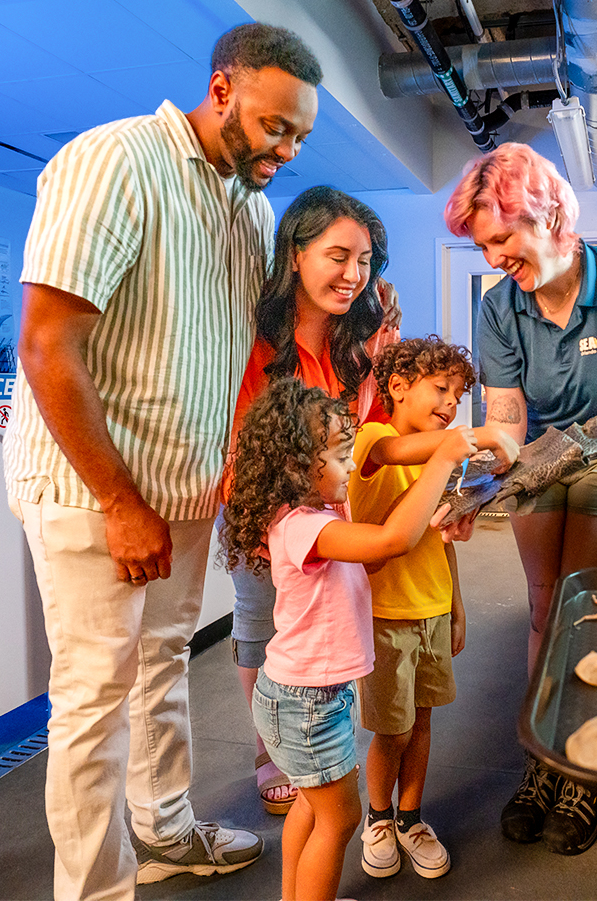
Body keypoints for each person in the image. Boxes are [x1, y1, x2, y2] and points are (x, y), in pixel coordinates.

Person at [3, 22, 321, 898]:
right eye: (274, 126)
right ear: (223, 89)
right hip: (94, 493)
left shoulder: (248, 210)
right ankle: (96, 892)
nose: (285, 150)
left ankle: (168, 831)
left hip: (185, 495)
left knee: (163, 666)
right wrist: (119, 500)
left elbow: (242, 354)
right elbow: (46, 346)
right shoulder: (115, 161)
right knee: (95, 699)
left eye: (299, 136)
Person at [443, 142, 597, 856]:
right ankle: (543, 756)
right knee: (546, 604)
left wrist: (582, 443)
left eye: (500, 239)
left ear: (549, 214)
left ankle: (588, 765)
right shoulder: (501, 308)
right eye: (482, 245)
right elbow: (511, 423)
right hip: (542, 455)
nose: (493, 259)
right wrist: (476, 483)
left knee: (586, 603)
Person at [222, 378, 475, 901]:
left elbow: (379, 553)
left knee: (312, 807)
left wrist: (436, 508)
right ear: (297, 466)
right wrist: (442, 461)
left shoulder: (324, 516)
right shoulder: (301, 526)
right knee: (340, 819)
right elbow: (391, 538)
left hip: (304, 692)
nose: (352, 467)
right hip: (306, 701)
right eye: (340, 456)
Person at [219, 185, 394, 816]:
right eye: (337, 256)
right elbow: (245, 441)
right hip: (265, 507)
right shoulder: (257, 340)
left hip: (329, 510)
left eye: (366, 260)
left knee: (318, 624)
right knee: (263, 619)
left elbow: (365, 431)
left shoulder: (356, 343)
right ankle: (271, 751)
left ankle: (308, 739)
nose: (353, 275)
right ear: (294, 253)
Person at [349, 335, 519, 881]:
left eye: (458, 394)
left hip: (432, 611)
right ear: (397, 387)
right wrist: (482, 435)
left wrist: (458, 606)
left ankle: (410, 818)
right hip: (383, 616)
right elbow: (399, 455)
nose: (450, 404)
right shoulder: (375, 438)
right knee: (390, 730)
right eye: (440, 389)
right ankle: (377, 818)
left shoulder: (443, 458)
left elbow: (440, 537)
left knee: (421, 722)